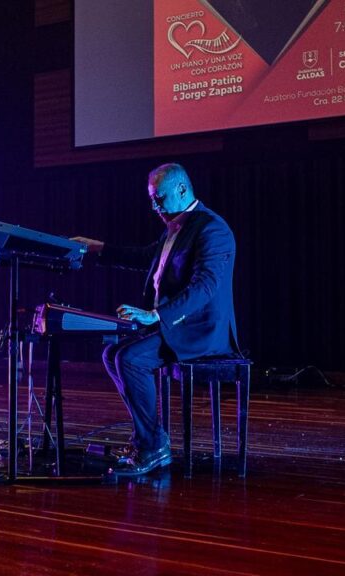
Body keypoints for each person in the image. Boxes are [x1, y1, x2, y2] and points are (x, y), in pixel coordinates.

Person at [73, 163, 239, 475]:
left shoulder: (212, 229)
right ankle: (148, 438)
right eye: (151, 199)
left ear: (181, 189)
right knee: (112, 354)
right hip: (176, 326)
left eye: (159, 199)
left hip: (200, 332)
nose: (154, 207)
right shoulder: (176, 227)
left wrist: (156, 314)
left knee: (131, 359)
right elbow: (144, 256)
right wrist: (98, 248)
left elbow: (205, 287)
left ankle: (153, 447)